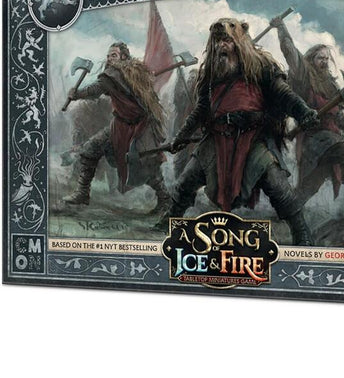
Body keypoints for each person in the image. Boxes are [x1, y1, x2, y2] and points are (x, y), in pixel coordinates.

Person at [156, 18, 319, 245]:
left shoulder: (263, 67)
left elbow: (283, 94)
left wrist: (303, 111)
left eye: (227, 41)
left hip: (252, 138)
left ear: (240, 41)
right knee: (187, 180)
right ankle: (169, 219)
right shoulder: (211, 74)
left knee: (276, 183)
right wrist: (181, 136)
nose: (222, 45)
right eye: (218, 41)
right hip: (217, 139)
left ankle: (301, 231)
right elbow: (201, 111)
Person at [270, 17, 344, 216]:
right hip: (315, 137)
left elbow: (338, 115)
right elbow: (290, 52)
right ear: (311, 59)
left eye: (326, 58)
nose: (324, 62)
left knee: (312, 184)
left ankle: (288, 209)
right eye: (320, 58)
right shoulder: (304, 75)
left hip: (330, 137)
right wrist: (282, 28)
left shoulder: (331, 85)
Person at [63, 42, 170, 216]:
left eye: (113, 55)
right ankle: (82, 193)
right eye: (108, 56)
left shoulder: (116, 75)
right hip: (120, 125)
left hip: (140, 128)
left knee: (147, 165)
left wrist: (77, 94)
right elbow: (104, 90)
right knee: (90, 149)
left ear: (124, 57)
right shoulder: (134, 74)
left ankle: (165, 200)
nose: (109, 59)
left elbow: (96, 89)